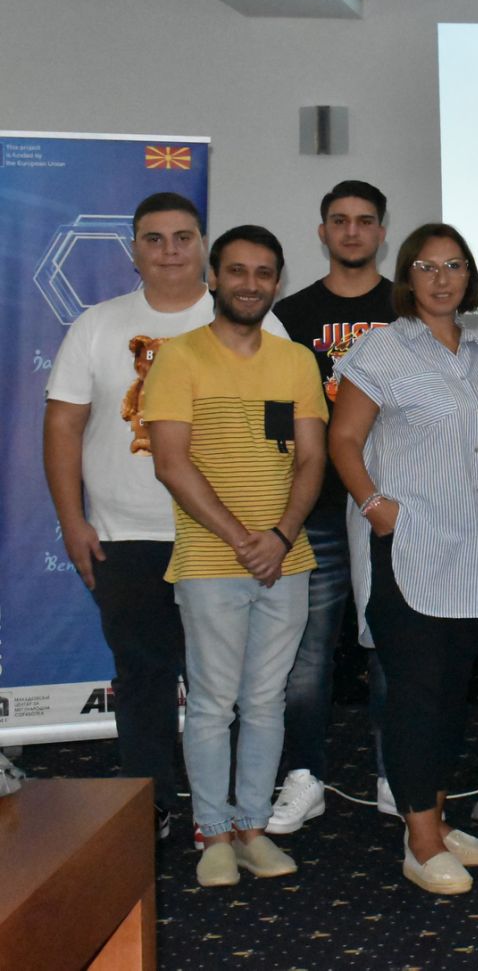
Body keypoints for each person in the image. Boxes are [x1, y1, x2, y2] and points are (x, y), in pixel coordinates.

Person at [43, 192, 274, 842]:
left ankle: (225, 809)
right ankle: (150, 801)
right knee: (143, 676)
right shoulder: (97, 325)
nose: (169, 250)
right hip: (126, 535)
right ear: (134, 250)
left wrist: (266, 526)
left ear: (203, 245)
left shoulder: (251, 320)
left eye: (182, 237)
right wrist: (72, 521)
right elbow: (62, 427)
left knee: (224, 681)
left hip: (224, 536)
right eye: (154, 238)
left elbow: (284, 430)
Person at [325, 222, 478, 895]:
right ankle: (420, 840)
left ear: (469, 276)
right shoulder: (382, 347)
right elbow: (344, 439)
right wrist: (377, 506)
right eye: (427, 266)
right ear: (407, 276)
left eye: (454, 265)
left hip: (474, 552)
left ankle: (432, 815)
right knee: (414, 695)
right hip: (410, 548)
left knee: (451, 695)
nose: (441, 278)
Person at [143, 225, 326, 888]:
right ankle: (213, 833)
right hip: (210, 562)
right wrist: (242, 538)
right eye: (239, 271)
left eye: (264, 272)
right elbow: (171, 463)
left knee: (267, 701)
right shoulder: (178, 357)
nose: (251, 284)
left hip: (286, 560)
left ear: (277, 282)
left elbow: (311, 458)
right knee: (214, 703)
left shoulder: (296, 361)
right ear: (214, 278)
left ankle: (252, 828)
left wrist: (278, 537)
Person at [269, 179, 397, 834]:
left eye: (364, 220)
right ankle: (305, 776)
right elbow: (273, 415)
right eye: (339, 221)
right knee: (308, 650)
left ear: (382, 232)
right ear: (322, 232)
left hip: (389, 502)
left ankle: (395, 775)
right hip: (314, 505)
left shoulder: (406, 307)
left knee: (393, 644)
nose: (351, 231)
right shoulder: (290, 314)